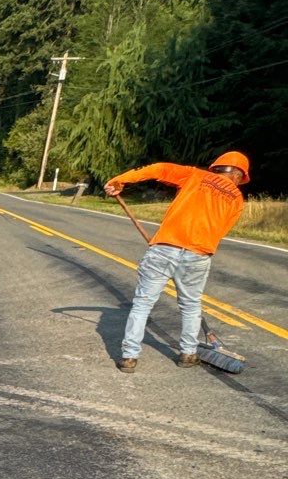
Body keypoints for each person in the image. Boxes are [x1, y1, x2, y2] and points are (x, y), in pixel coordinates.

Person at [106, 150, 249, 371]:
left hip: (165, 248)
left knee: (143, 304)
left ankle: (129, 358)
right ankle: (188, 355)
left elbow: (158, 169)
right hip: (198, 255)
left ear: (216, 167)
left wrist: (119, 180)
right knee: (191, 306)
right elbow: (219, 232)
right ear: (239, 176)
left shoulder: (195, 175)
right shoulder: (237, 199)